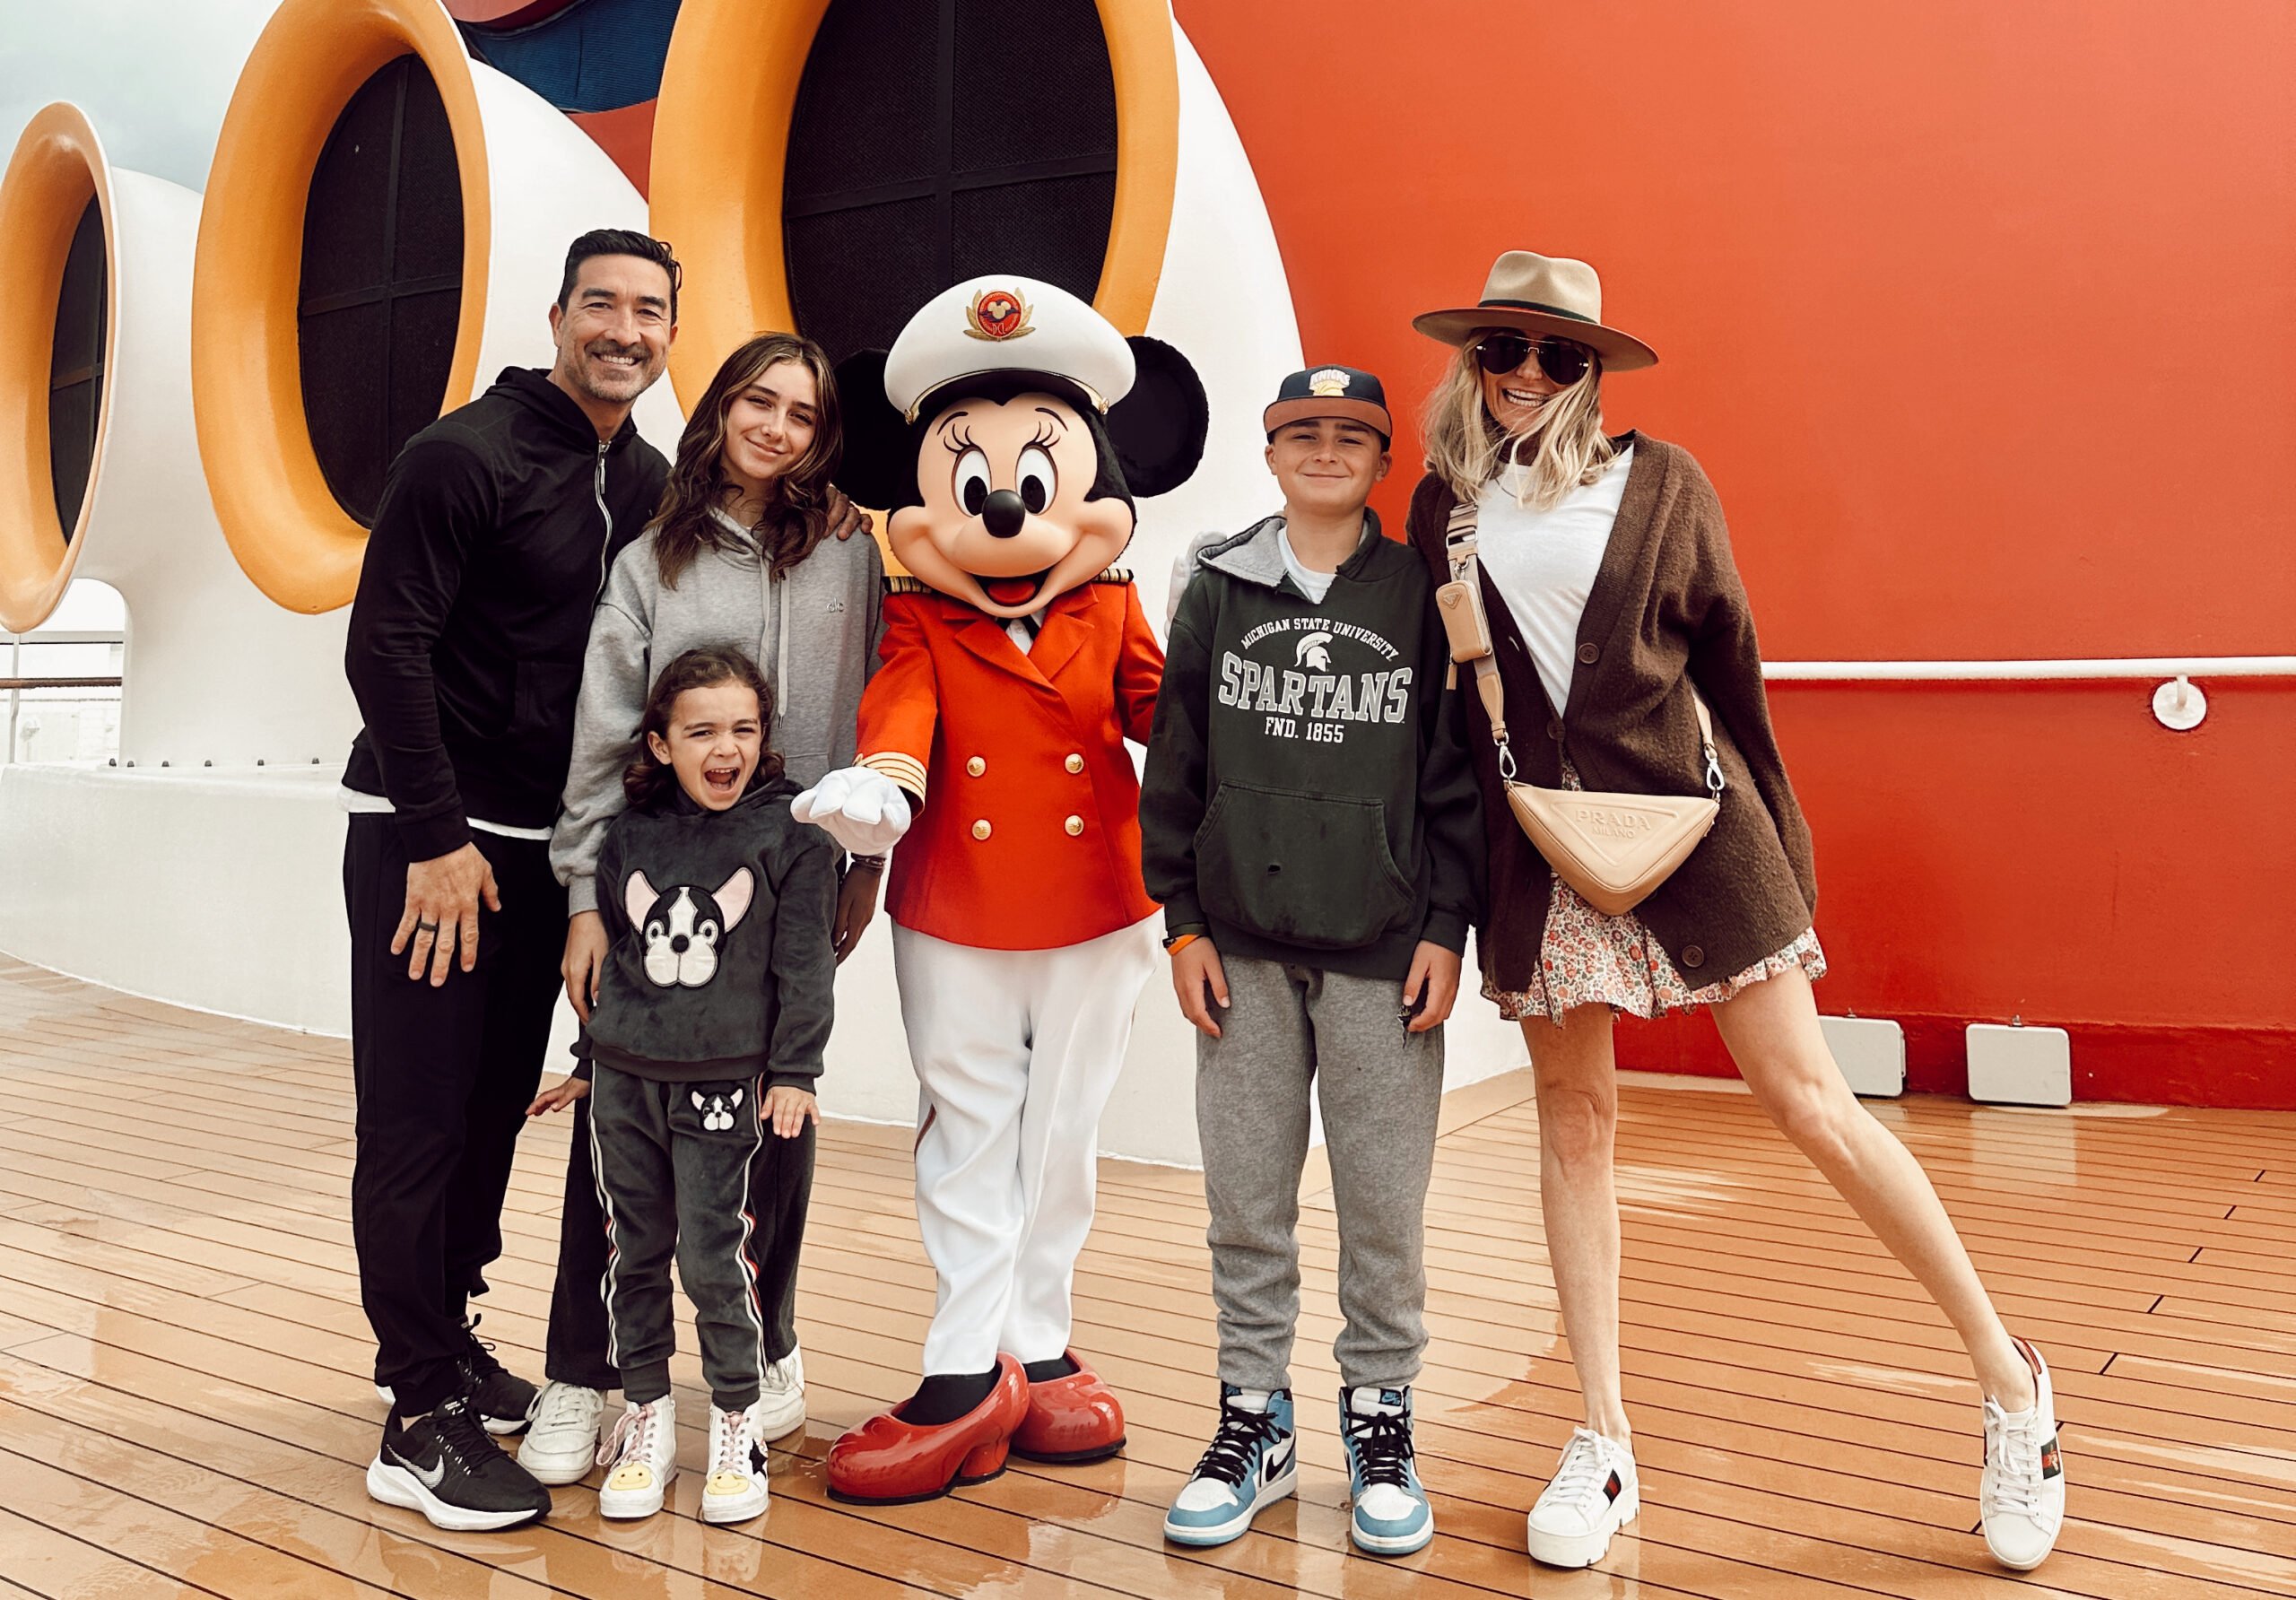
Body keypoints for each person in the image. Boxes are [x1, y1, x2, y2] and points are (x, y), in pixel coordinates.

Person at [1404, 251, 2065, 1572]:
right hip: (1543, 852)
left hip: (1701, 836)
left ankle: (2012, 1387)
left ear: (1594, 371)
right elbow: (1445, 717)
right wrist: (1446, 895)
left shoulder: (1666, 485)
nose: (1528, 375)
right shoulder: (1444, 508)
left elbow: (1734, 674)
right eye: (1504, 351)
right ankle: (1604, 1440)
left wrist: (1785, 860)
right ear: (1472, 360)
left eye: (1558, 356)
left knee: (1811, 1101)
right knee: (1576, 1123)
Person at [793, 275, 1208, 1503]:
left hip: (1098, 905)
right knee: (967, 1132)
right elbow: (901, 707)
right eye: (971, 485)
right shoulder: (922, 619)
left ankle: (1039, 1337)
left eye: (1040, 478)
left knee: (1065, 1132)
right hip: (959, 908)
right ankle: (963, 1368)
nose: (1009, 513)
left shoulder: (1116, 603)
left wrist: (1242, 741)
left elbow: (1161, 710)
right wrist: (883, 781)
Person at [345, 229, 680, 1531]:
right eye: (602, 304)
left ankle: (448, 1329)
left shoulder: (644, 477)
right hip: (431, 841)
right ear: (558, 316)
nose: (624, 329)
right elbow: (388, 645)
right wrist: (434, 836)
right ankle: (415, 1408)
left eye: (648, 311)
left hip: (548, 851)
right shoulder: (462, 455)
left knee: (491, 1112)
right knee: (418, 1115)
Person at [517, 332, 883, 1485]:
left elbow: (881, 700)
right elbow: (601, 728)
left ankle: (765, 1344)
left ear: (824, 433)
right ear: (721, 409)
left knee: (779, 1096)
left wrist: (863, 859)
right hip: (653, 879)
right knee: (613, 1116)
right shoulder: (650, 561)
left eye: (802, 412)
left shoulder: (850, 552)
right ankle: (584, 1367)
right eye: (757, 402)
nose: (776, 427)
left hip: (793, 865)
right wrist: (584, 892)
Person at [1139, 365, 1484, 1557]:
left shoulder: (1420, 592)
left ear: (1384, 460)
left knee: (1382, 1204)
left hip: (1383, 952)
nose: (1327, 450)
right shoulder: (1221, 585)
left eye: (1352, 435)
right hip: (1238, 944)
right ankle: (1256, 1422)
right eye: (1304, 433)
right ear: (1271, 450)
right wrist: (1181, 917)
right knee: (1246, 1202)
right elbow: (1174, 759)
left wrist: (1444, 924)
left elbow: (1453, 772)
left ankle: (1381, 1420)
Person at [545, 645, 839, 1526]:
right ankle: (645, 1413)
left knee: (715, 1256)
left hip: (725, 1090)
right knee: (632, 1251)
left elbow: (805, 969)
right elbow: (624, 972)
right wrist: (585, 1063)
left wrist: (794, 1071)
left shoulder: (793, 834)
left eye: (744, 728)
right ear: (662, 742)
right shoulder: (630, 835)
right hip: (626, 1085)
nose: (726, 746)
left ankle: (737, 1420)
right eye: (702, 729)